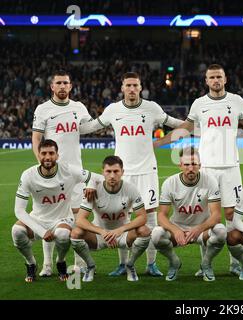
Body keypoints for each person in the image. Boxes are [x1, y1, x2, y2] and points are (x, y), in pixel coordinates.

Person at [153, 64, 243, 276]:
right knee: (205, 215)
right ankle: (204, 264)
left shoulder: (236, 101)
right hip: (206, 167)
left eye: (219, 76)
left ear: (225, 79)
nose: (216, 80)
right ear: (206, 81)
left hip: (231, 167)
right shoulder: (199, 104)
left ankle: (234, 263)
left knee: (232, 214)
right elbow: (184, 129)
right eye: (212, 77)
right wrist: (156, 143)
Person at [80, 72, 183, 277]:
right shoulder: (113, 110)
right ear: (122, 87)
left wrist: (199, 124)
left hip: (147, 171)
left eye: (135, 85)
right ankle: (123, 264)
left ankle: (151, 264)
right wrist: (70, 124)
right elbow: (90, 127)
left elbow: (175, 123)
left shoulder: (152, 108)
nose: (132, 89)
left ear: (140, 87)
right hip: (122, 173)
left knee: (151, 217)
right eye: (128, 85)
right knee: (123, 217)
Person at [31, 70, 93, 276]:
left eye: (65, 83)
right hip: (52, 174)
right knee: (47, 218)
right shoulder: (43, 109)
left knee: (77, 219)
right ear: (52, 86)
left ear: (71, 86)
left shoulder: (79, 107)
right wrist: (42, 166)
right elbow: (37, 139)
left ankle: (77, 263)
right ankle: (47, 265)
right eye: (58, 83)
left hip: (74, 173)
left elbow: (89, 128)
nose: (62, 86)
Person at [12, 139, 93, 282]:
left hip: (61, 220)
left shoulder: (67, 170)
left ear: (57, 155)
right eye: (44, 153)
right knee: (16, 231)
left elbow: (94, 177)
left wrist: (91, 184)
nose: (47, 157)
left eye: (51, 153)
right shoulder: (28, 175)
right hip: (38, 219)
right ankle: (31, 263)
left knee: (63, 234)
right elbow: (19, 210)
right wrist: (41, 231)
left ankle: (60, 262)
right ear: (38, 155)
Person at [70, 155, 151, 282]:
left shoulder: (131, 189)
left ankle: (129, 265)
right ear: (103, 172)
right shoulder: (93, 190)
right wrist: (102, 231)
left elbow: (142, 217)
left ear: (122, 172)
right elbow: (80, 220)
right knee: (76, 233)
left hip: (123, 234)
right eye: (108, 171)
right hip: (100, 235)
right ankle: (90, 266)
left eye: (116, 171)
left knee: (145, 231)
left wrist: (121, 229)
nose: (112, 175)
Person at [152, 147, 225, 281]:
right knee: (156, 235)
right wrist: (175, 230)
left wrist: (199, 228)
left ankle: (206, 264)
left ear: (200, 165)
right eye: (186, 164)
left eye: (194, 164)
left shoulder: (210, 181)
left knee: (221, 231)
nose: (190, 168)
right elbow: (161, 215)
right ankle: (174, 262)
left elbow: (216, 215)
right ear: (180, 166)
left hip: (202, 230)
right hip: (178, 230)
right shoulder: (170, 183)